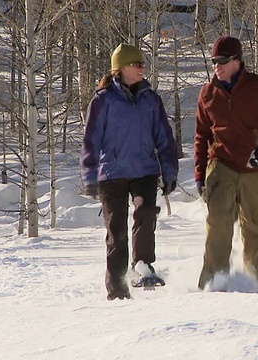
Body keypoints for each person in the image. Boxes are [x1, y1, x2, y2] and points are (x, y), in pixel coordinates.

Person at [81, 43, 179, 300]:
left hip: (144, 170)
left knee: (146, 212)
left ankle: (143, 266)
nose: (142, 68)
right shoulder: (103, 100)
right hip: (112, 174)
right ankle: (117, 291)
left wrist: (169, 173)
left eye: (143, 64)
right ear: (121, 68)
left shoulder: (151, 99)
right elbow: (91, 140)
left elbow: (165, 139)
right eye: (137, 64)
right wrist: (89, 175)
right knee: (117, 233)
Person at [194, 36, 258, 291]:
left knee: (254, 229)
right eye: (214, 62)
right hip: (221, 165)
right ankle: (212, 284)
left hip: (254, 168)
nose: (217, 67)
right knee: (218, 227)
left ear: (237, 61)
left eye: (223, 61)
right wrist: (200, 175)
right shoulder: (207, 94)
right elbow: (202, 136)